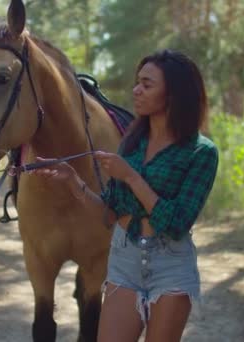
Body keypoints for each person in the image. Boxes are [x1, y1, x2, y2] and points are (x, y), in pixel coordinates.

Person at [32, 49, 218, 342]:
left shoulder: (201, 152)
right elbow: (109, 214)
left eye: (147, 84)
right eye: (137, 82)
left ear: (174, 94)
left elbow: (178, 222)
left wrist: (130, 176)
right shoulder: (131, 143)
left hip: (170, 265)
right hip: (124, 261)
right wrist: (74, 181)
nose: (136, 90)